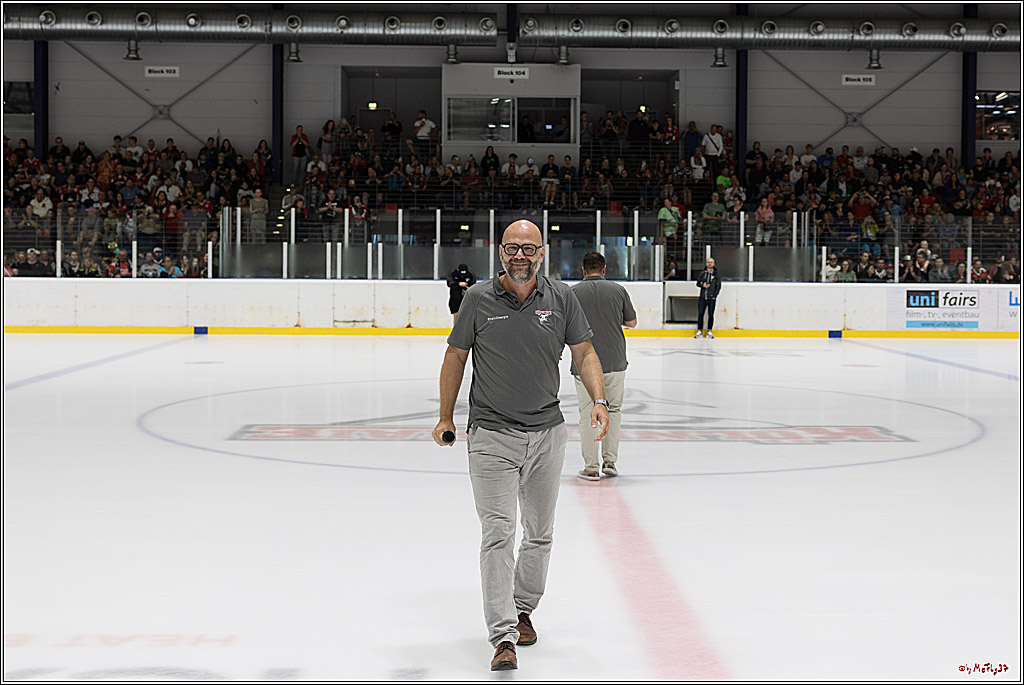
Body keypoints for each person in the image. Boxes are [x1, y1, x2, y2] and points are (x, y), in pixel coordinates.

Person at [432, 219, 609, 672]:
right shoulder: (477, 299)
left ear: (542, 253)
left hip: (548, 434)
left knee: (540, 533)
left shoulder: (562, 297)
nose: (520, 255)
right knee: (498, 534)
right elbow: (456, 355)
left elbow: (585, 352)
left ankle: (523, 608)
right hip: (491, 434)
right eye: (513, 247)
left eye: (529, 249)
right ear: (501, 252)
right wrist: (446, 416)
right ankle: (502, 635)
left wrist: (599, 400)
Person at [570, 251, 636, 480]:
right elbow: (632, 322)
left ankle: (590, 466)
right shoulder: (618, 290)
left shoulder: (573, 292)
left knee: (588, 412)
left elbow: (562, 326)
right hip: (615, 360)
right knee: (614, 410)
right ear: (604, 269)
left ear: (583, 270)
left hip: (583, 363)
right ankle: (610, 462)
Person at [695, 256, 721, 338]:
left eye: (711, 262)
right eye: (708, 262)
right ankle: (700, 330)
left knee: (710, 314)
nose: (710, 264)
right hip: (702, 297)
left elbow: (718, 285)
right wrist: (703, 285)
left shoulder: (716, 274)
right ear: (706, 263)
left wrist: (714, 296)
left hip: (711, 298)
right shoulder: (702, 273)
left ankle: (709, 330)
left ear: (713, 264)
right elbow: (698, 283)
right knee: (700, 314)